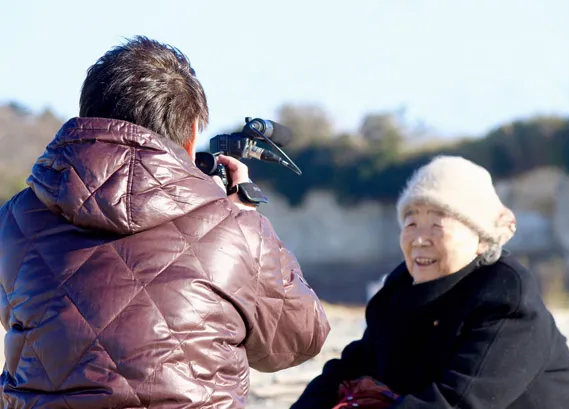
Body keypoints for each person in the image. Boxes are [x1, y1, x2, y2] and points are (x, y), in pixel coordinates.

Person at [0, 36, 330, 408]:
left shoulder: (14, 220)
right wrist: (245, 221)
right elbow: (300, 340)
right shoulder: (235, 228)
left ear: (87, 119)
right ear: (190, 138)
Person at [291, 155, 569, 409]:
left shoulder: (505, 296)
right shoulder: (400, 290)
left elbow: (457, 401)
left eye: (437, 225)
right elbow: (354, 366)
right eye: (412, 222)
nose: (419, 239)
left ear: (480, 239)